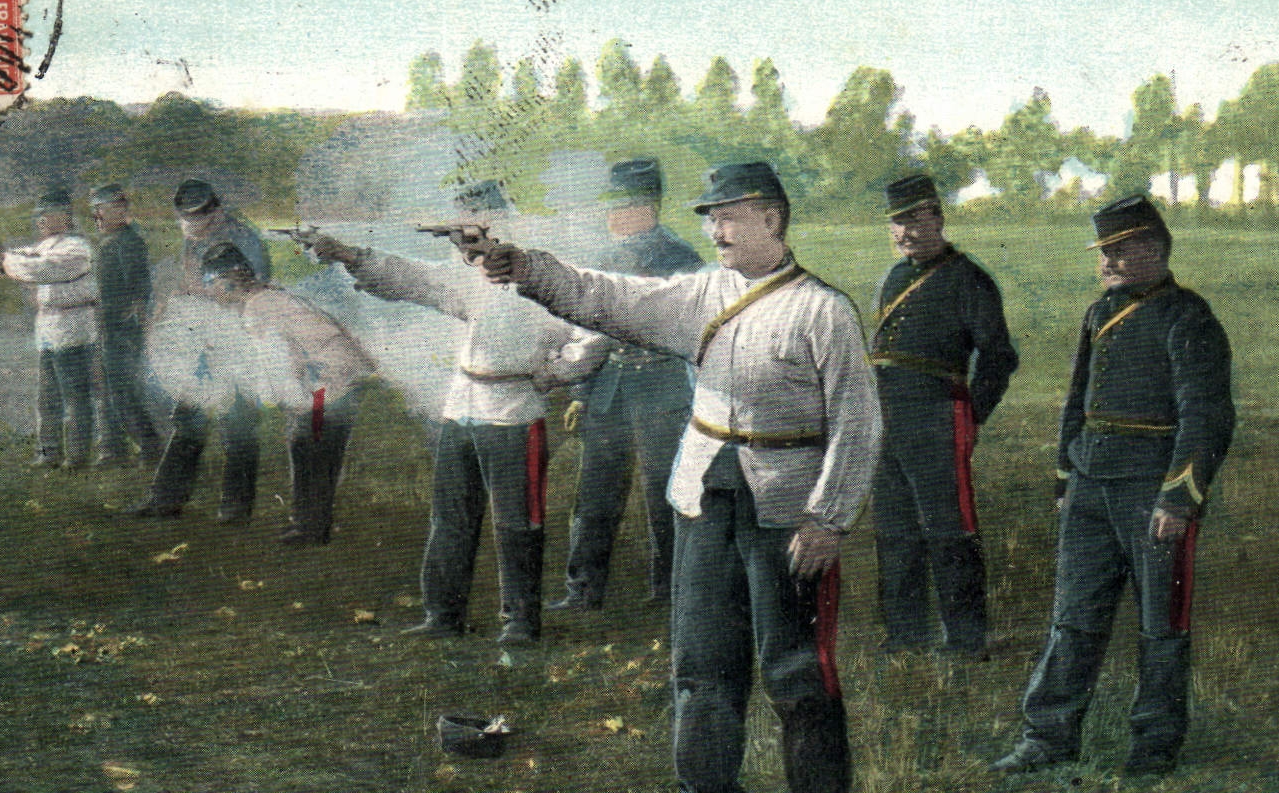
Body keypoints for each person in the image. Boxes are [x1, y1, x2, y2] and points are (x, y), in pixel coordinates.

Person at [483, 162, 880, 793]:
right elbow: (608, 297)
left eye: (728, 215)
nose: (716, 230)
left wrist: (829, 518)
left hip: (786, 514)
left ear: (771, 218)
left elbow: (858, 423)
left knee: (796, 673)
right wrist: (527, 269)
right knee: (699, 668)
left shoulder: (824, 310)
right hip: (702, 501)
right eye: (711, 218)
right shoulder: (701, 292)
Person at [991, 194, 1234, 777]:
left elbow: (1207, 416)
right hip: (1091, 486)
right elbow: (1077, 402)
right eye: (1104, 253)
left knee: (1160, 624)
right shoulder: (1100, 314)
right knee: (1073, 617)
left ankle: (1153, 748)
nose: (1107, 263)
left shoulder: (1189, 317)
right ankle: (1046, 736)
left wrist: (1178, 498)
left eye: (1119, 251)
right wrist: (1064, 475)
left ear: (1154, 248)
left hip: (1151, 491)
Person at [307, 179, 609, 645]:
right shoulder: (469, 276)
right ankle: (443, 613)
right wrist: (348, 254)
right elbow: (413, 277)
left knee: (517, 521)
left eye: (470, 233)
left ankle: (520, 621)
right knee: (450, 518)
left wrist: (552, 375)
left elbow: (592, 336)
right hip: (461, 409)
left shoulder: (542, 278)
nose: (461, 246)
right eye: (458, 235)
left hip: (513, 414)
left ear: (499, 224)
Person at [869, 174, 1018, 656]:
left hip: (937, 415)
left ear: (937, 216)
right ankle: (906, 635)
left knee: (950, 529)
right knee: (895, 529)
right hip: (887, 416)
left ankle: (966, 639)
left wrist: (969, 417)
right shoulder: (894, 277)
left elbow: (998, 357)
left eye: (915, 219)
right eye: (897, 222)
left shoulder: (968, 279)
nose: (905, 232)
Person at [549, 158, 704, 612]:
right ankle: (583, 589)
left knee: (664, 493)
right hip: (611, 387)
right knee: (595, 492)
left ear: (649, 206)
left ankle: (670, 590)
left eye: (623, 205)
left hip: (663, 388)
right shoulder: (604, 256)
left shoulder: (681, 258)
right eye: (612, 204)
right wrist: (581, 393)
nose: (612, 215)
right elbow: (589, 331)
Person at [198, 242, 375, 546]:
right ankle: (308, 523)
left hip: (326, 385)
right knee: (310, 448)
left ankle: (310, 527)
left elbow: (280, 362)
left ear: (228, 281)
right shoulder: (267, 298)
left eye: (211, 285)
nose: (210, 294)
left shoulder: (259, 308)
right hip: (335, 379)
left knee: (309, 449)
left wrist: (284, 400)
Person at [123, 178, 272, 522]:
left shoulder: (243, 240)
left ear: (216, 213)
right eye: (183, 219)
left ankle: (236, 509)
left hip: (236, 344)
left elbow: (253, 294)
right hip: (200, 344)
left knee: (237, 426)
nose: (186, 227)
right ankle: (165, 500)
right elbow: (188, 282)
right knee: (188, 421)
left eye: (194, 219)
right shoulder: (192, 240)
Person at [0, 185, 99, 469]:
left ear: (66, 216)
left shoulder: (76, 247)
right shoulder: (45, 246)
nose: (41, 220)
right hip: (49, 329)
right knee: (48, 398)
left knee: (74, 397)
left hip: (74, 329)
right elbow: (26, 256)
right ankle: (49, 453)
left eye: (48, 214)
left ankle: (77, 455)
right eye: (39, 215)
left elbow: (40, 269)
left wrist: (3, 261)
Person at [89, 184, 162, 467]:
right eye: (96, 210)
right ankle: (115, 450)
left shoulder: (127, 242)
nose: (98, 216)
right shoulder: (110, 241)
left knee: (123, 392)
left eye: (104, 209)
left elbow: (139, 291)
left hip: (122, 329)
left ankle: (150, 447)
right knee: (108, 390)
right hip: (109, 327)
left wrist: (139, 327)